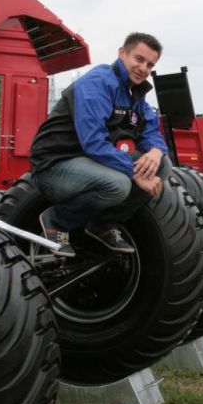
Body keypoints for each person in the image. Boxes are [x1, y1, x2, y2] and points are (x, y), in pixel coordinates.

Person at [29, 32, 168, 257]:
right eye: (139, 59)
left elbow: (150, 130)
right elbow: (93, 142)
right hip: (55, 164)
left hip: (88, 161)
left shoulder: (135, 94)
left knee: (161, 166)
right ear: (122, 53)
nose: (144, 68)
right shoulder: (97, 84)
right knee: (118, 184)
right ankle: (57, 221)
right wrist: (135, 172)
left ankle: (103, 224)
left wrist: (155, 151)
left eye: (150, 65)